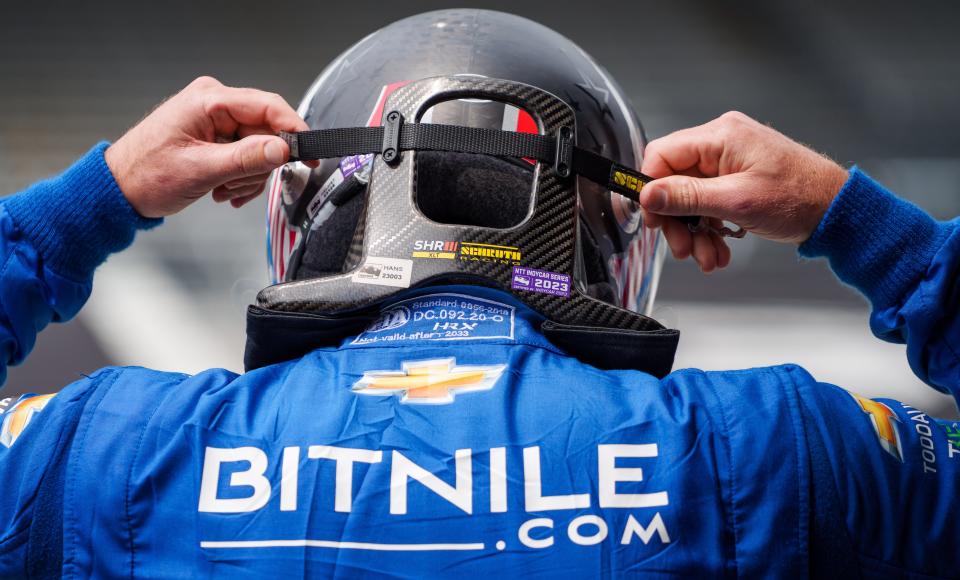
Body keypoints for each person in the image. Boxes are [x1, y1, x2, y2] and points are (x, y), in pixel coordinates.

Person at [0, 9, 958, 579]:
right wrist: (862, 224)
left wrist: (87, 206)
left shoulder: (112, 454)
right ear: (608, 235)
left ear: (315, 224)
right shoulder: (778, 451)